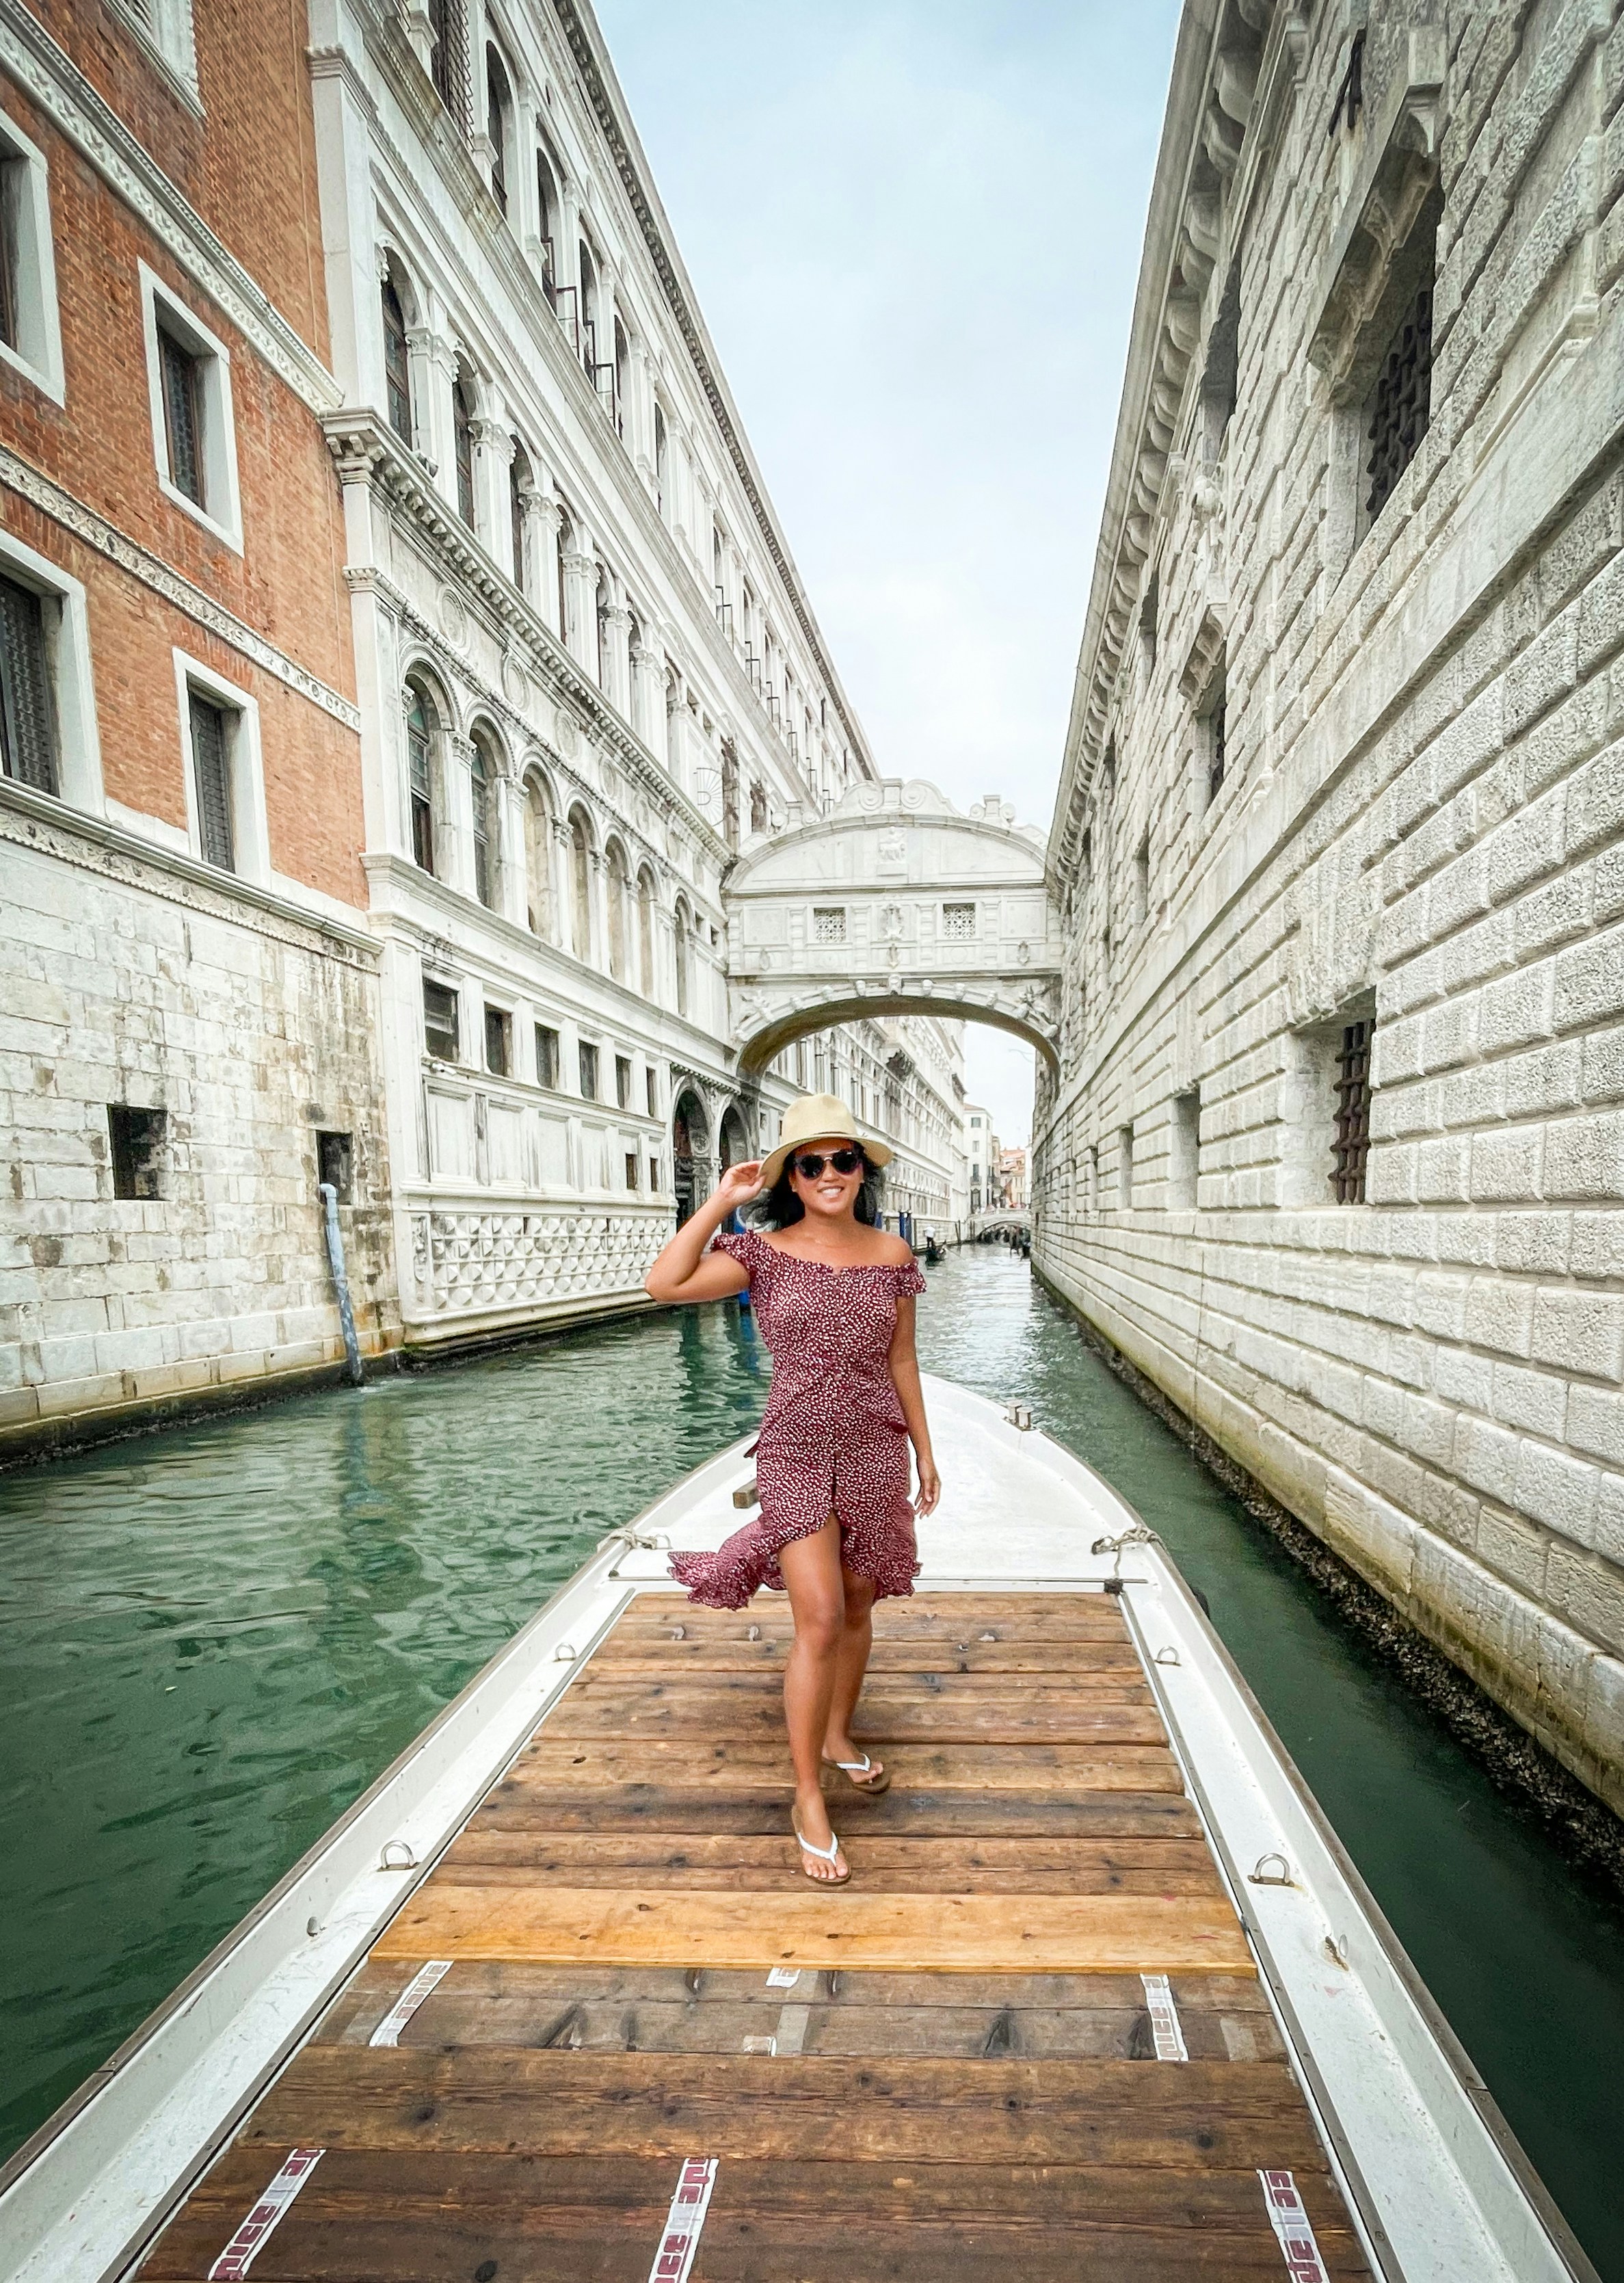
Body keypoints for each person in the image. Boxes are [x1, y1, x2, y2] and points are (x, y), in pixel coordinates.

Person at [643, 1092, 941, 1885]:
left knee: (856, 1598)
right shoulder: (762, 1253)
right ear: (791, 1177)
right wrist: (719, 1198)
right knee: (816, 1614)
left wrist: (926, 1450)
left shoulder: (889, 1254)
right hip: (796, 1448)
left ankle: (838, 1735)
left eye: (842, 1158)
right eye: (810, 1163)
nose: (829, 1173)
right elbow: (664, 1285)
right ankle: (807, 1795)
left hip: (875, 1448)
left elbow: (902, 1360)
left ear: (859, 1169)